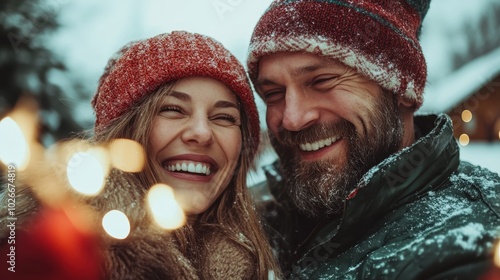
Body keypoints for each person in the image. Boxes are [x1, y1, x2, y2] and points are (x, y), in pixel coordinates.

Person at [246, 0, 500, 279]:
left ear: (403, 87)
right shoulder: (250, 217)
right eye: (273, 94)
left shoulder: (471, 244)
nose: (292, 119)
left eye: (322, 81)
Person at [0, 31, 280, 279]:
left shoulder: (262, 257)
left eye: (223, 117)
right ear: (125, 132)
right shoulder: (46, 247)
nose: (202, 133)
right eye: (172, 109)